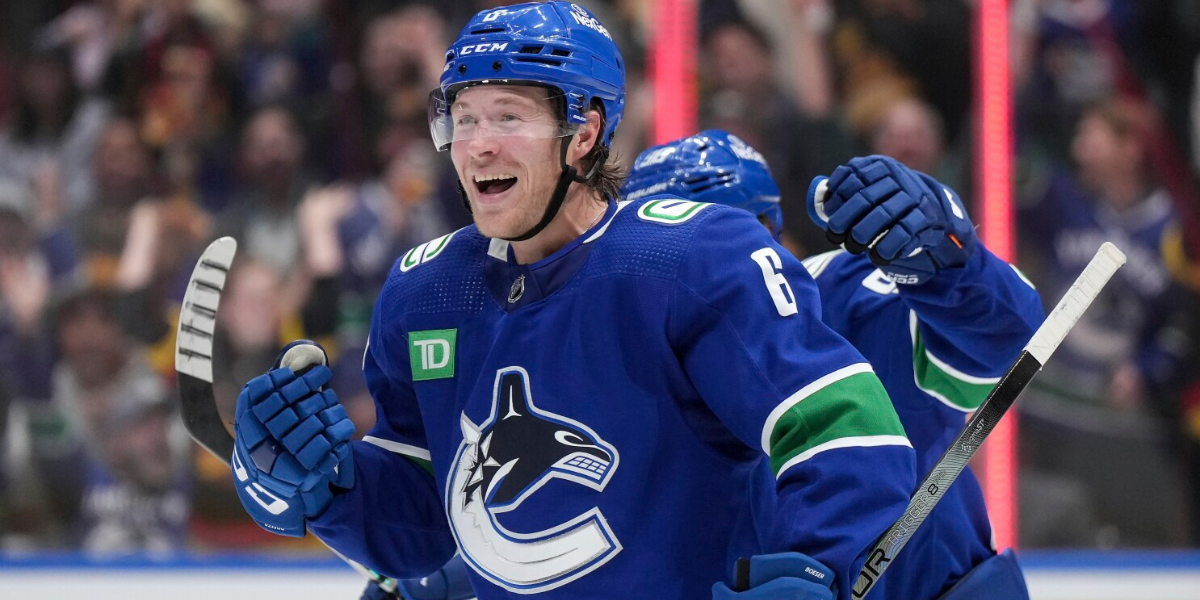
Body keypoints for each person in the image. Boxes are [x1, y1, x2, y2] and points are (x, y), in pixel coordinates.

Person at [227, 4, 918, 600]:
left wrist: (815, 565)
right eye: (463, 119)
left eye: (508, 115)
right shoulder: (426, 292)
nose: (478, 144)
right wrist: (323, 487)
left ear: (584, 133)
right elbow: (422, 523)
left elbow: (842, 427)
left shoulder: (694, 259)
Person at [622, 130, 1044, 599]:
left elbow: (1001, 342)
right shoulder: (613, 355)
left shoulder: (848, 291)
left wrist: (945, 257)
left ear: (768, 233)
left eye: (717, 242)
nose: (696, 271)